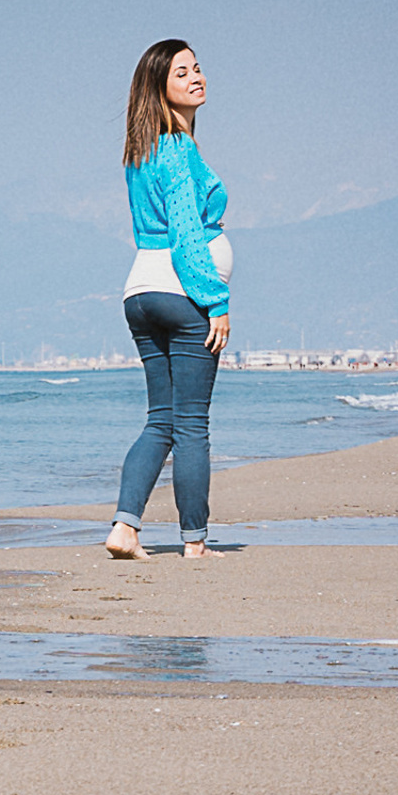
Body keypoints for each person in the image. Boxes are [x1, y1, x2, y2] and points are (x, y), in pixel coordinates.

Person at [106, 39, 230, 560]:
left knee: (161, 420)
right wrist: (216, 300)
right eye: (182, 72)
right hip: (182, 295)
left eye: (197, 68)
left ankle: (125, 528)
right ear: (161, 88)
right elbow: (186, 235)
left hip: (140, 293)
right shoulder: (178, 149)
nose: (196, 77)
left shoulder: (142, 149)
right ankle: (195, 543)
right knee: (192, 424)